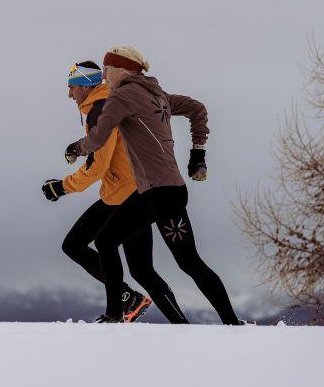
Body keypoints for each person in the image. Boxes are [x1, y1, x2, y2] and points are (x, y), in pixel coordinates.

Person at [64, 47, 241, 324]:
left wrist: (76, 147)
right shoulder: (159, 95)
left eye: (107, 70)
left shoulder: (121, 96)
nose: (104, 77)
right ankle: (232, 322)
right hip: (166, 192)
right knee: (187, 262)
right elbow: (198, 109)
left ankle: (113, 315)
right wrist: (198, 154)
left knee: (108, 242)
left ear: (122, 71)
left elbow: (99, 138)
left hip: (157, 195)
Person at [43, 61, 188, 323]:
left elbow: (97, 165)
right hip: (133, 190)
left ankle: (120, 306)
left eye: (72, 87)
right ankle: (177, 321)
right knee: (142, 270)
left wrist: (62, 187)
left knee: (74, 244)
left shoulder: (101, 110)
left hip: (123, 194)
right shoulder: (104, 105)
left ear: (87, 87)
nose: (68, 94)